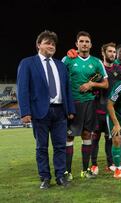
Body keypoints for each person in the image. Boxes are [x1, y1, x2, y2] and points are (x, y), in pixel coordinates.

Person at [17, 30, 75, 189]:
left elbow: (67, 89)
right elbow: (23, 89)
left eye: (53, 44)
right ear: (38, 45)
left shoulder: (61, 65)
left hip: (60, 112)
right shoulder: (28, 63)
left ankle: (60, 176)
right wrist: (25, 112)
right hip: (39, 111)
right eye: (47, 43)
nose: (51, 46)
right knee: (41, 147)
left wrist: (70, 109)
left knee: (60, 147)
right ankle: (45, 178)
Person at [62, 31, 109, 180]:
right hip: (72, 103)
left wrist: (91, 84)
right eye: (81, 41)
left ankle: (85, 170)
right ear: (76, 44)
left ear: (91, 44)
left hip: (89, 103)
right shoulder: (68, 59)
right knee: (69, 137)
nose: (84, 44)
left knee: (87, 135)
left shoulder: (96, 62)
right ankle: (67, 172)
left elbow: (106, 83)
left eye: (87, 41)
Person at [90, 42, 121, 174]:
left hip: (112, 111)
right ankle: (93, 164)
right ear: (103, 53)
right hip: (97, 109)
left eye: (114, 52)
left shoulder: (120, 70)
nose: (112, 54)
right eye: (110, 51)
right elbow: (89, 84)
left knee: (109, 138)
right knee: (95, 137)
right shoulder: (97, 69)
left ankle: (110, 163)